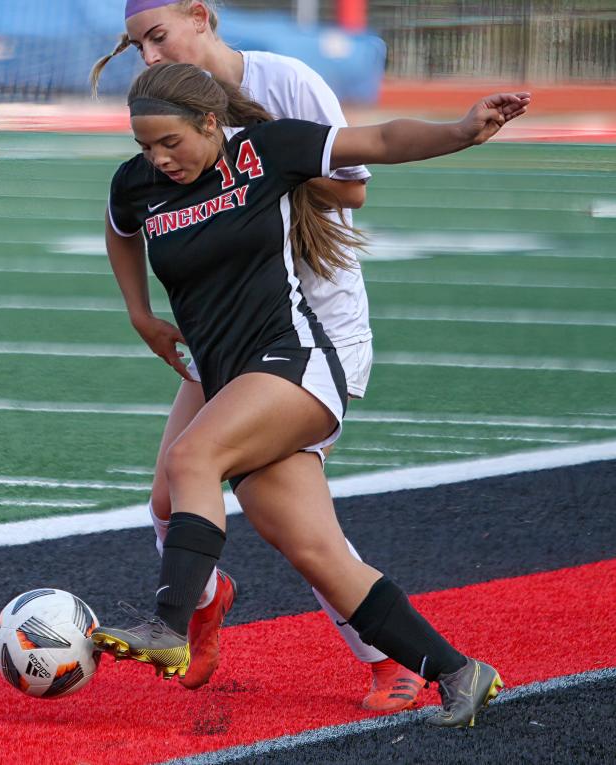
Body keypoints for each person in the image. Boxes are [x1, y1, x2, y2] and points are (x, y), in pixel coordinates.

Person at [91, 61, 528, 728]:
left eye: (170, 143)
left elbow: (378, 143)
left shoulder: (263, 150)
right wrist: (137, 312)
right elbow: (120, 229)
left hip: (294, 366)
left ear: (211, 123)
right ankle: (459, 671)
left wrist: (464, 131)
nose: (157, 158)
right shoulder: (139, 182)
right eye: (143, 144)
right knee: (318, 554)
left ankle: (169, 623)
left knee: (191, 460)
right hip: (230, 377)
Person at [91, 0, 418, 711]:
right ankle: (201, 602)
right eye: (135, 46)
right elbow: (124, 219)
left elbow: (352, 187)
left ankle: (390, 657)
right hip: (227, 332)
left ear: (201, 17)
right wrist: (140, 312)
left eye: (156, 37)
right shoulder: (162, 122)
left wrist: (258, 161)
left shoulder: (285, 81)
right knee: (166, 498)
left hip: (308, 328)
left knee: (290, 519)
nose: (148, 55)